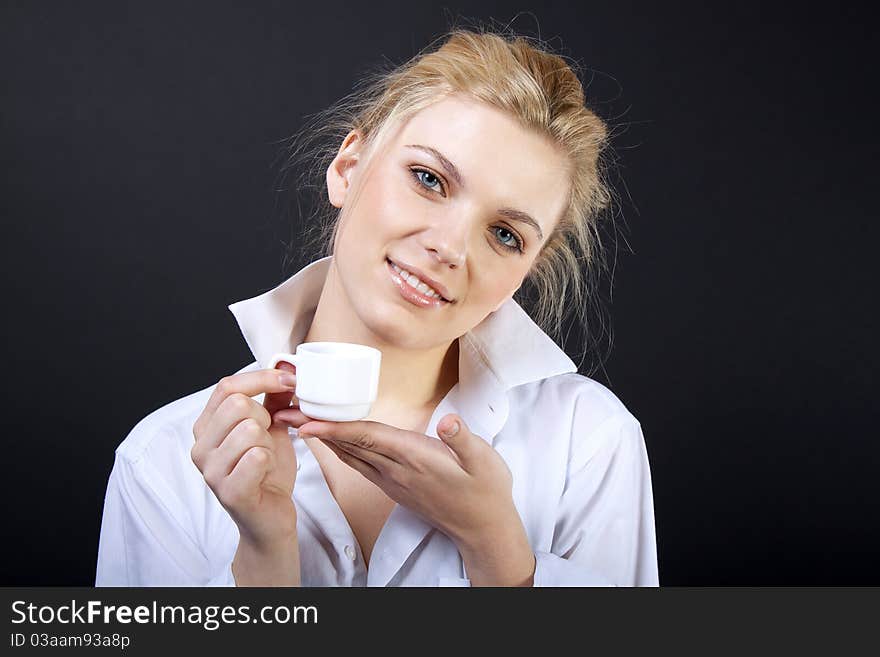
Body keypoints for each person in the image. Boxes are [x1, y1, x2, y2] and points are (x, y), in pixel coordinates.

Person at [95, 27, 659, 587]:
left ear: (524, 273)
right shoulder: (164, 459)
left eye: (505, 235)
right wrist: (264, 557)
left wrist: (498, 552)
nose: (450, 247)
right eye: (428, 179)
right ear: (347, 168)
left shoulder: (588, 442)